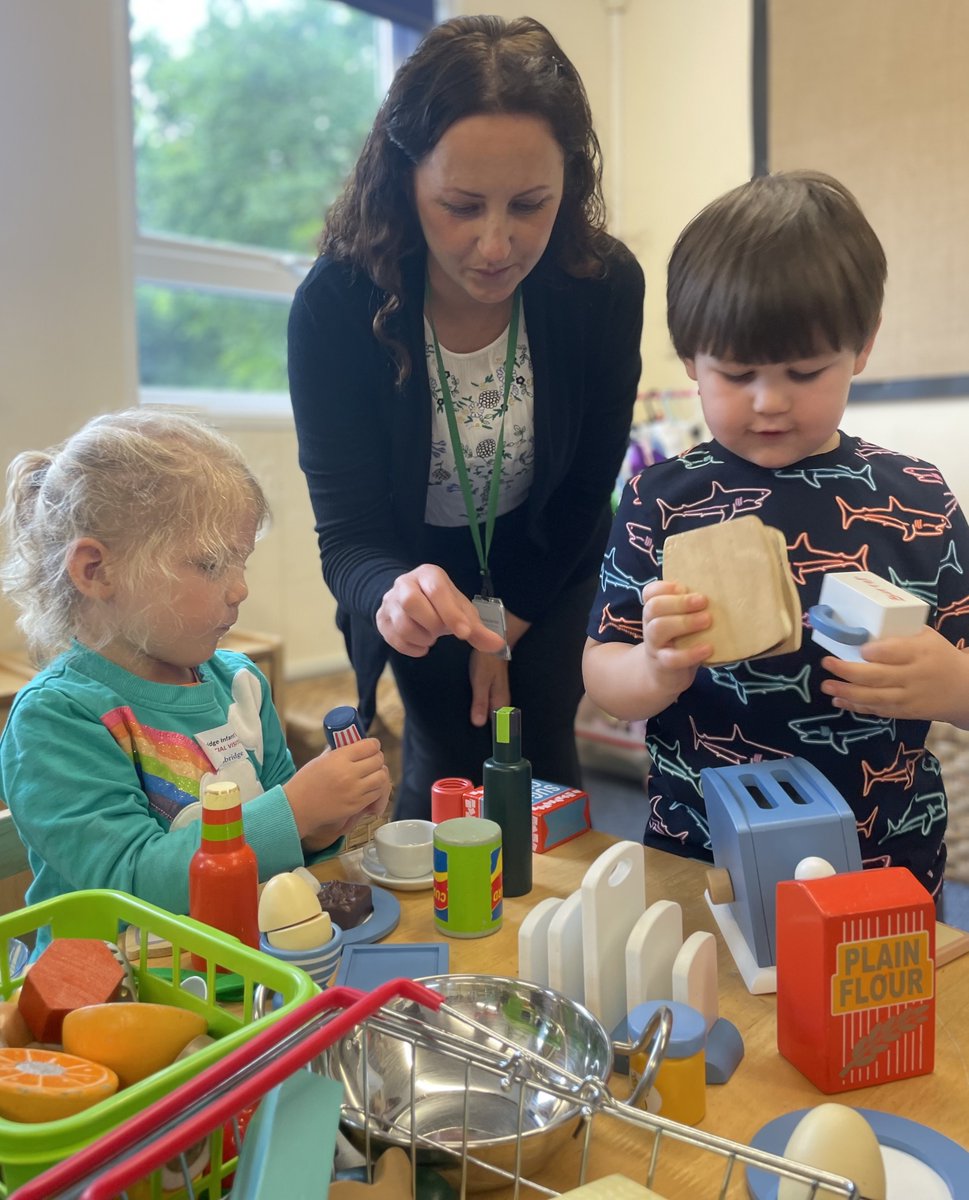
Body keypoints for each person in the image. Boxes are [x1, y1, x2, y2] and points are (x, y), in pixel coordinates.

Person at [289, 15, 644, 818]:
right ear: (403, 181)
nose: (494, 244)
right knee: (446, 754)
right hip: (421, 574)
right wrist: (395, 594)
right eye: (459, 205)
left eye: (529, 205)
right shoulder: (337, 306)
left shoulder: (600, 286)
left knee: (545, 752)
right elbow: (348, 535)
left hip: (551, 557)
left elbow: (591, 482)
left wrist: (509, 621)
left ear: (570, 186)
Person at [583, 170, 969, 899]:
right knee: (709, 1010)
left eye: (803, 371)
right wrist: (654, 670)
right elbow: (603, 673)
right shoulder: (658, 499)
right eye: (735, 373)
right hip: (699, 854)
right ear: (690, 357)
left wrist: (951, 685)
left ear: (861, 345)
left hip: (882, 858)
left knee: (874, 1016)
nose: (768, 400)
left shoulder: (917, 497)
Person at [0, 409, 391, 932]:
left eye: (241, 561)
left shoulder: (240, 686)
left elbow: (281, 849)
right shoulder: (57, 718)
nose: (240, 589)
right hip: (118, 995)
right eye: (209, 564)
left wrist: (323, 822)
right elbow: (127, 883)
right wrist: (294, 812)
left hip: (245, 967)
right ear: (96, 571)